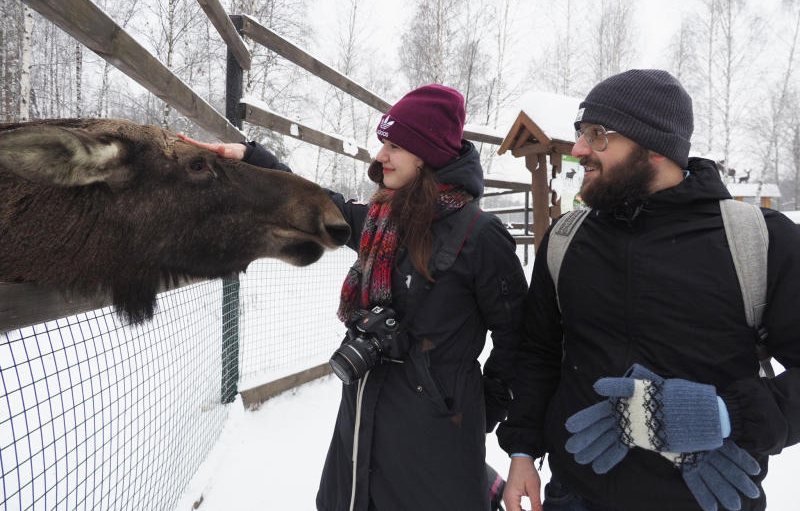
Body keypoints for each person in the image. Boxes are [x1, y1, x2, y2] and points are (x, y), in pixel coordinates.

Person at [181, 84, 526, 510]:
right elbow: (324, 205)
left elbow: (519, 340)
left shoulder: (480, 236)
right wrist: (251, 159)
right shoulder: (383, 220)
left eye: (395, 145)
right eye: (383, 143)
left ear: (428, 154)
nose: (380, 156)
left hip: (437, 440)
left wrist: (474, 407)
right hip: (361, 419)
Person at [496, 69, 800, 511]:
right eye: (580, 133)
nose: (580, 150)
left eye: (598, 135)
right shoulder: (567, 241)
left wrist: (722, 414)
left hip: (706, 498)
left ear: (654, 147)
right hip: (576, 493)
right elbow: (539, 353)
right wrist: (522, 451)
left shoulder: (757, 241)